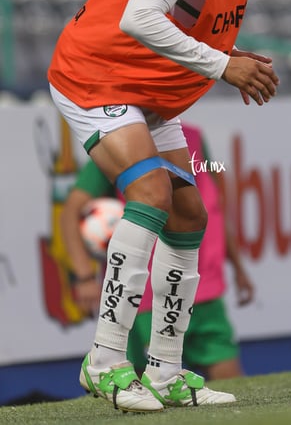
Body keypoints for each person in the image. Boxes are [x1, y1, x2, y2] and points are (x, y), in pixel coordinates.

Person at [48, 0, 291, 413]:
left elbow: (189, 22)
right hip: (96, 76)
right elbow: (138, 17)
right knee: (150, 194)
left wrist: (227, 54)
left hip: (147, 88)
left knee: (189, 214)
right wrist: (224, 65)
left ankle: (166, 371)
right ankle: (103, 361)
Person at [61, 122, 254, 381]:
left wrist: (239, 269)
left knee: (230, 381)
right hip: (146, 293)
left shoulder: (192, 136)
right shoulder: (116, 141)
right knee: (144, 386)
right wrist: (84, 276)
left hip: (203, 286)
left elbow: (213, 206)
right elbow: (71, 212)